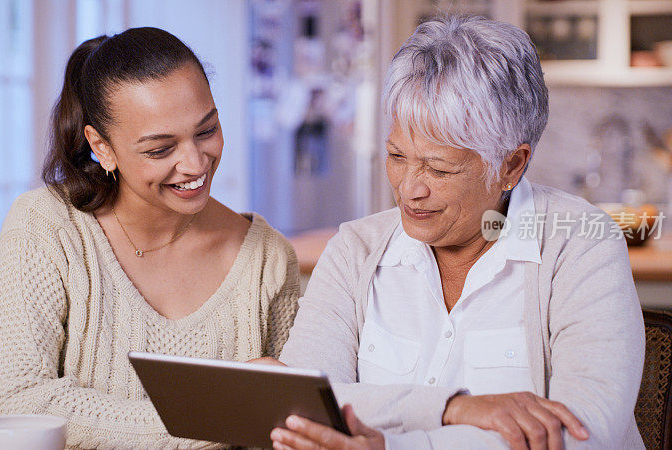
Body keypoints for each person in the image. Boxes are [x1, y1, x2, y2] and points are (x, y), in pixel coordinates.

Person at [267, 15, 645, 450]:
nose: (409, 189)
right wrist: (453, 407)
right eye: (396, 155)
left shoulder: (581, 243)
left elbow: (583, 433)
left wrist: (393, 444)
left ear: (510, 166)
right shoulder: (355, 249)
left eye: (439, 168)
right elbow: (304, 407)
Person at [0, 27, 300, 448]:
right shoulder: (46, 227)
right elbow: (12, 404)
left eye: (206, 130)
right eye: (161, 150)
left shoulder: (267, 258)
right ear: (101, 147)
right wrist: (216, 414)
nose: (195, 163)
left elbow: (293, 423)